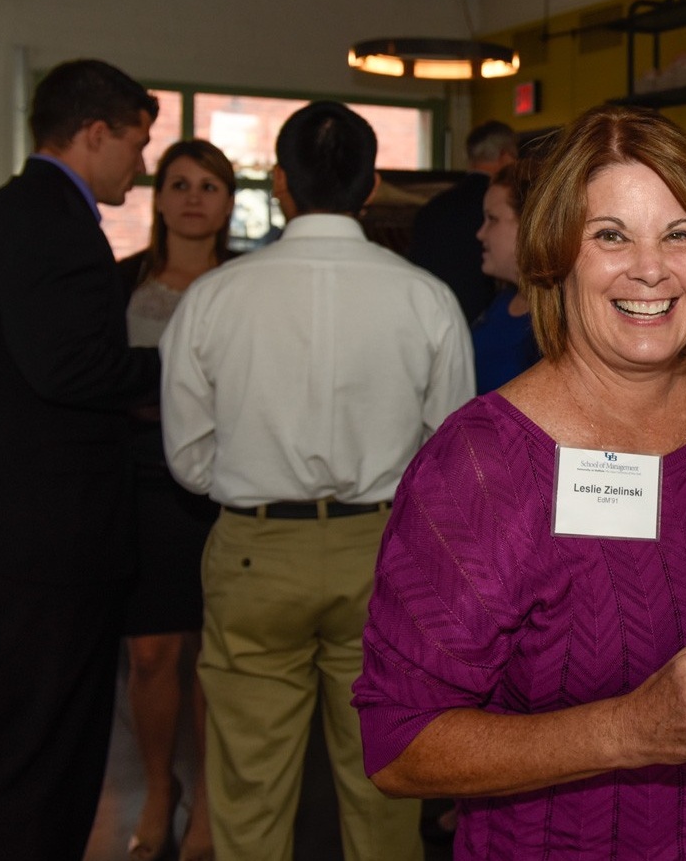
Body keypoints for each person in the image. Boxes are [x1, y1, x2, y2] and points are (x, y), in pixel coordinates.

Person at [353, 104, 686, 859]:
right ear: (557, 255)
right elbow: (398, 747)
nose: (651, 269)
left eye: (679, 234)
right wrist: (629, 730)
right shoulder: (482, 465)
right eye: (611, 236)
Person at [161, 101, 473, 861]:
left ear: (279, 182)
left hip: (256, 548)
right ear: (371, 187)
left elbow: (188, 455)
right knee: (383, 768)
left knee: (250, 775)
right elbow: (451, 453)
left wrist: (250, 475)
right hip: (384, 549)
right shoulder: (425, 296)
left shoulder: (215, 295)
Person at [0, 58, 159, 861]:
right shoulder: (55, 224)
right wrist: (182, 369)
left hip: (2, 528)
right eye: (136, 142)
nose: (140, 164)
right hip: (44, 540)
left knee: (35, 745)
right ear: (94, 133)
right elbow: (71, 370)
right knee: (49, 758)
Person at [118, 139, 238, 861]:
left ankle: (211, 806)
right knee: (151, 653)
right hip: (140, 486)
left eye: (210, 186)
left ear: (228, 203)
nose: (194, 198)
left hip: (226, 486)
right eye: (180, 184)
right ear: (158, 198)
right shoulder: (121, 281)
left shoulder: (249, 282)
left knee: (215, 657)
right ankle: (160, 789)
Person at [411, 119, 518, 323]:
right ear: (505, 155)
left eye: (492, 219)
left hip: (426, 318)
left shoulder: (432, 207)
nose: (481, 233)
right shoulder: (506, 203)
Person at [472, 158, 542, 395]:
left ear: (529, 225)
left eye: (492, 219)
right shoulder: (503, 301)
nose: (480, 233)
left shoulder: (554, 323)